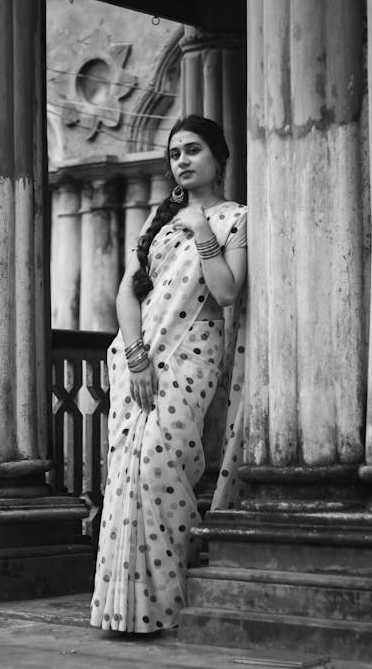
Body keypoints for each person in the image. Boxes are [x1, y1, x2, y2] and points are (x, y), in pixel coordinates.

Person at [90, 115, 248, 633]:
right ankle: (124, 611)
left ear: (218, 158)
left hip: (191, 357)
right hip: (139, 360)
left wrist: (203, 229)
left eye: (193, 150)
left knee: (163, 470)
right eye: (175, 153)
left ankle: (169, 601)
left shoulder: (237, 219)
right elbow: (127, 292)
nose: (182, 160)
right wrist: (134, 357)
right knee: (126, 474)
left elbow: (226, 293)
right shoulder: (156, 221)